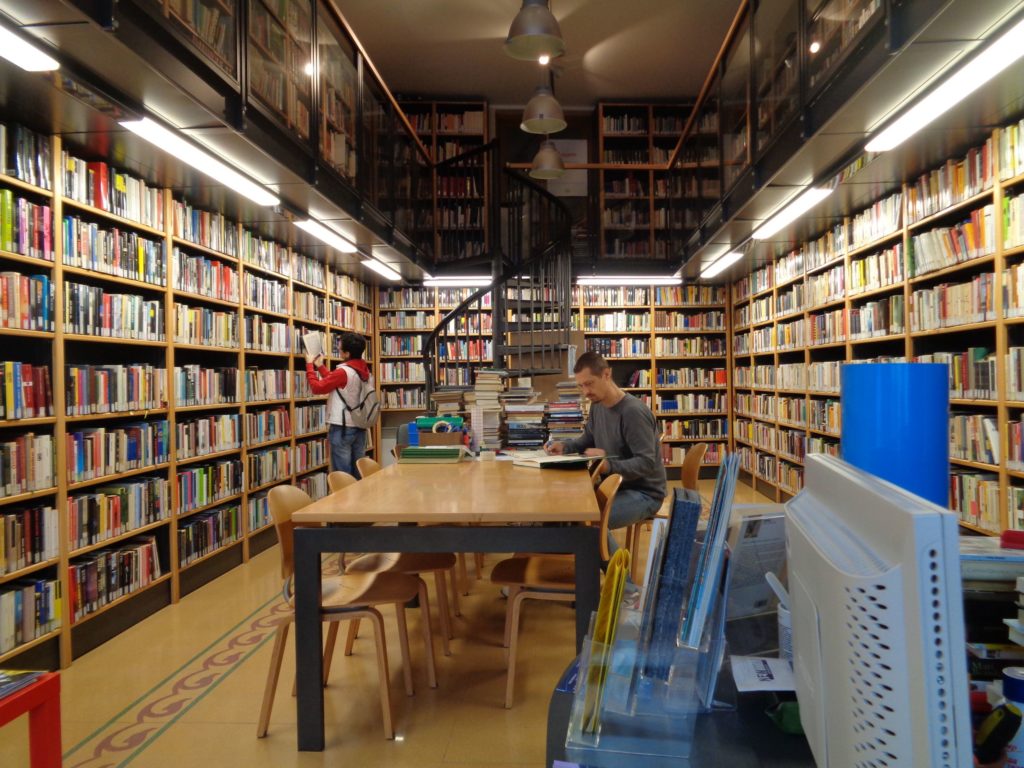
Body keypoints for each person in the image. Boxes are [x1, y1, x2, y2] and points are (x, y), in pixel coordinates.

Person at [546, 351, 667, 558]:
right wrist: (564, 447)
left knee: (590, 522)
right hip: (614, 488)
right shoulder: (597, 406)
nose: (586, 392)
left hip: (644, 493)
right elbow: (587, 439)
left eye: (589, 384)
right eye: (581, 386)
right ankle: (566, 570)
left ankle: (623, 580)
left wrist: (609, 466)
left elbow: (646, 463)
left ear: (607, 375)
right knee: (566, 510)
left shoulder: (633, 413)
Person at [305, 332, 371, 476]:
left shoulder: (343, 371)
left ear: (347, 353)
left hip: (342, 427)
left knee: (342, 474)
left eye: (340, 348)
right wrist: (320, 366)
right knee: (358, 469)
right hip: (359, 425)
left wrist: (309, 365)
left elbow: (317, 388)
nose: (338, 350)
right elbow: (337, 382)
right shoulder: (364, 370)